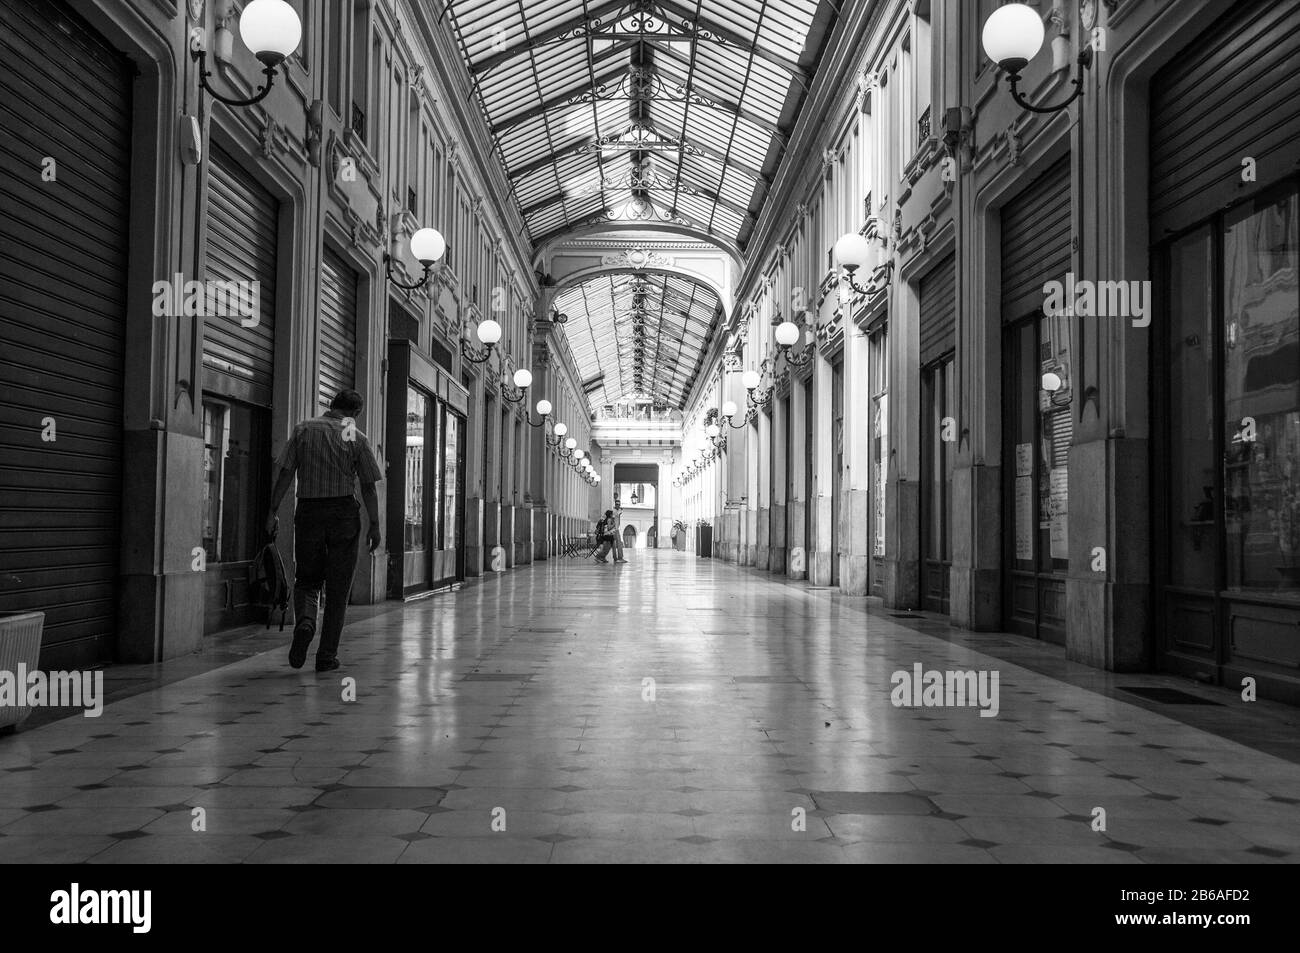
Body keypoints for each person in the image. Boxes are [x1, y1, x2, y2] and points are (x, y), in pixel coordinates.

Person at [264, 388, 383, 672]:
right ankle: (326, 656)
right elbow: (368, 485)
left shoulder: (304, 429)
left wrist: (272, 510)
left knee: (307, 577)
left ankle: (305, 622)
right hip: (343, 514)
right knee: (339, 587)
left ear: (331, 405)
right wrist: (375, 524)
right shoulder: (355, 436)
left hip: (309, 511)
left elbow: (285, 472)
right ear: (355, 413)